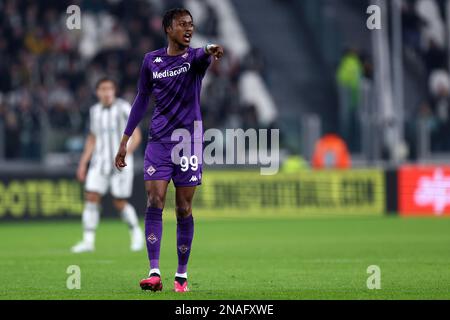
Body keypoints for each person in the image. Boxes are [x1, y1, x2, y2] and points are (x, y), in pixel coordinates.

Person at [114, 8, 224, 292]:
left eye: (191, 24)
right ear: (168, 28)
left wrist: (211, 49)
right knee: (154, 200)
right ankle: (153, 272)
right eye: (182, 24)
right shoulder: (151, 61)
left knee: (183, 207)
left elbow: (204, 52)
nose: (188, 28)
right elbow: (141, 99)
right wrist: (125, 139)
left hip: (188, 142)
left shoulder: (195, 59)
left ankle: (181, 276)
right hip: (159, 141)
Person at [72, 77, 144, 253]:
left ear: (114, 91)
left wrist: (125, 153)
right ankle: (88, 241)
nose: (106, 92)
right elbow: (92, 138)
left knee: (119, 202)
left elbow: (137, 136)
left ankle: (136, 234)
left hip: (120, 164)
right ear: (97, 92)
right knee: (91, 197)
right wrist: (83, 163)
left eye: (109, 88)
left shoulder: (123, 108)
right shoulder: (94, 111)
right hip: (99, 162)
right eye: (103, 89)